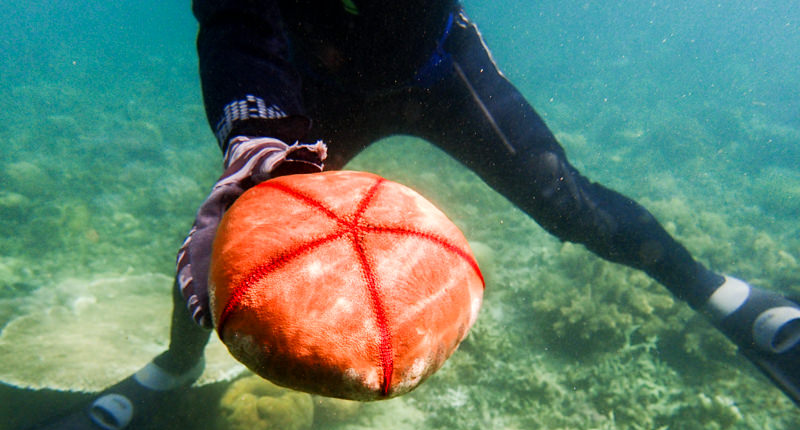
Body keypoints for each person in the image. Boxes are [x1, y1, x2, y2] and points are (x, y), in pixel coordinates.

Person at [157, 0, 800, 404]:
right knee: (243, 220)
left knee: (568, 203)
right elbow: (233, 14)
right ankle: (179, 363)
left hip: (440, 69)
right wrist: (257, 142)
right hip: (313, 89)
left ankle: (722, 296)